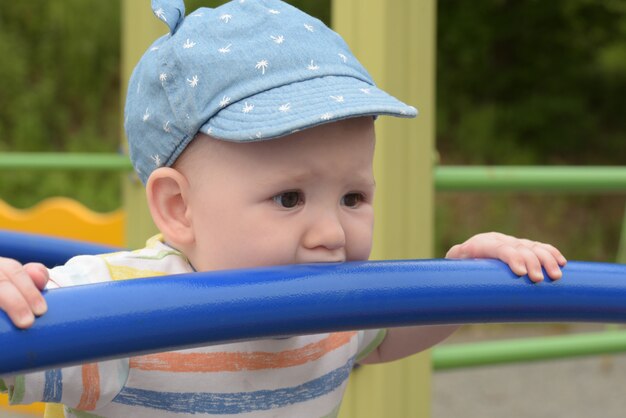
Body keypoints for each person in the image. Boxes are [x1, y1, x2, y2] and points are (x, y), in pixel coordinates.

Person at [0, 0, 567, 417]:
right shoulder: (118, 310)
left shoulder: (334, 310)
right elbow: (19, 339)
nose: (330, 234)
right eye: (289, 198)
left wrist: (469, 276)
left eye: (353, 197)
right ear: (179, 208)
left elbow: (396, 331)